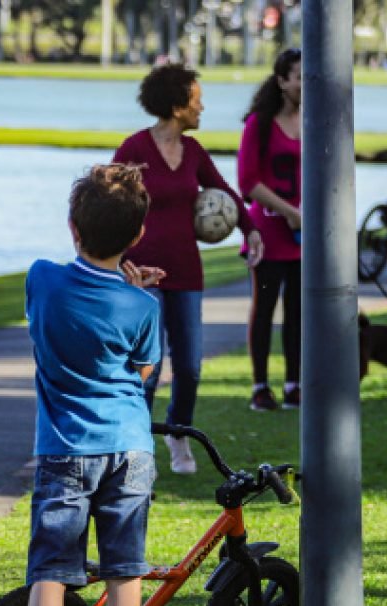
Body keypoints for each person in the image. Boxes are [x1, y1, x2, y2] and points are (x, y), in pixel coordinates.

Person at [0, 165, 162, 606]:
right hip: (131, 448)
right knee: (124, 572)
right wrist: (131, 293)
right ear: (138, 235)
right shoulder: (144, 307)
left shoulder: (42, 279)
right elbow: (144, 373)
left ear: (73, 227)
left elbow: (63, 307)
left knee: (52, 572)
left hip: (66, 449)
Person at [112, 63, 263, 474]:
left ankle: (178, 433)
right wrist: (115, 260)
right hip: (141, 275)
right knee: (148, 367)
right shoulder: (134, 149)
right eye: (196, 99)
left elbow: (224, 191)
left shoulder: (193, 152)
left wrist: (250, 230)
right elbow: (108, 200)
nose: (202, 107)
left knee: (191, 366)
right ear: (177, 105)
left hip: (186, 272)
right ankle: (137, 446)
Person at [238, 48, 303, 412]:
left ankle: (294, 383)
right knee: (264, 308)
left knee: (298, 311)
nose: (305, 84)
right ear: (282, 81)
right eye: (299, 77)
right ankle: (260, 387)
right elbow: (248, 182)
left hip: (302, 235)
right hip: (268, 233)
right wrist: (289, 212)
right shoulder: (259, 124)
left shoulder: (314, 121)